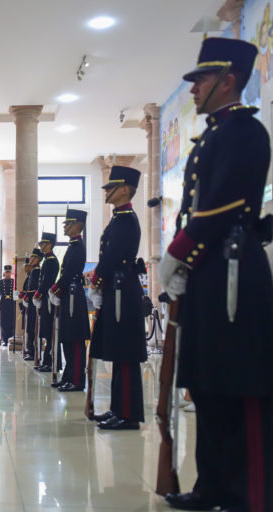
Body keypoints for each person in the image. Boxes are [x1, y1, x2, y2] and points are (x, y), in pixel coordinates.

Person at [159, 37, 273, 512]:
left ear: (227, 80)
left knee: (239, 389)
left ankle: (248, 496)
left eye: (200, 80)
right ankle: (212, 487)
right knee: (206, 384)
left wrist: (178, 251)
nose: (192, 89)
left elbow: (225, 205)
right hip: (209, 272)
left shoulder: (246, 134)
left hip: (233, 272)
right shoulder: (213, 135)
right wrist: (186, 262)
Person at [88, 165, 147, 430]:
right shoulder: (119, 218)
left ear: (125, 189)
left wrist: (97, 278)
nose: (107, 191)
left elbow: (112, 257)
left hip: (122, 290)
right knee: (118, 352)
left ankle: (128, 414)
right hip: (117, 288)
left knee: (124, 353)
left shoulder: (126, 219)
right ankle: (117, 409)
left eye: (112, 187)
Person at [49, 208, 89, 392]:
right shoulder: (72, 246)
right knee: (67, 338)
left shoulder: (78, 247)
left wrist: (56, 288)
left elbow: (70, 273)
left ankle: (77, 380)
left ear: (77, 225)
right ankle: (68, 376)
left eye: (68, 223)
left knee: (75, 340)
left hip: (73, 296)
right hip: (68, 295)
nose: (64, 227)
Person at [34, 233, 59, 372]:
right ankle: (45, 360)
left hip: (48, 298)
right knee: (46, 330)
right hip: (45, 298)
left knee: (49, 331)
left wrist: (39, 292)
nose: (41, 246)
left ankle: (49, 362)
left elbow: (47, 282)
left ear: (49, 244)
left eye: (42, 244)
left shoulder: (51, 261)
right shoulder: (47, 260)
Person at [20, 250, 42, 361]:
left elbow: (33, 288)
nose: (31, 259)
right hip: (30, 303)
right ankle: (30, 350)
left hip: (33, 304)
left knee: (32, 328)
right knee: (29, 328)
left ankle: (33, 352)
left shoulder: (37, 271)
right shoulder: (33, 272)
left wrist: (26, 296)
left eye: (33, 257)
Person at [0, 264, 16, 347]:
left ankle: (10, 338)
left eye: (9, 272)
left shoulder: (14, 282)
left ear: (11, 273)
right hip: (3, 302)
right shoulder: (0, 282)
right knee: (3, 322)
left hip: (11, 302)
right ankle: (5, 339)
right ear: (4, 272)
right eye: (6, 272)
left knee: (11, 321)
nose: (8, 273)